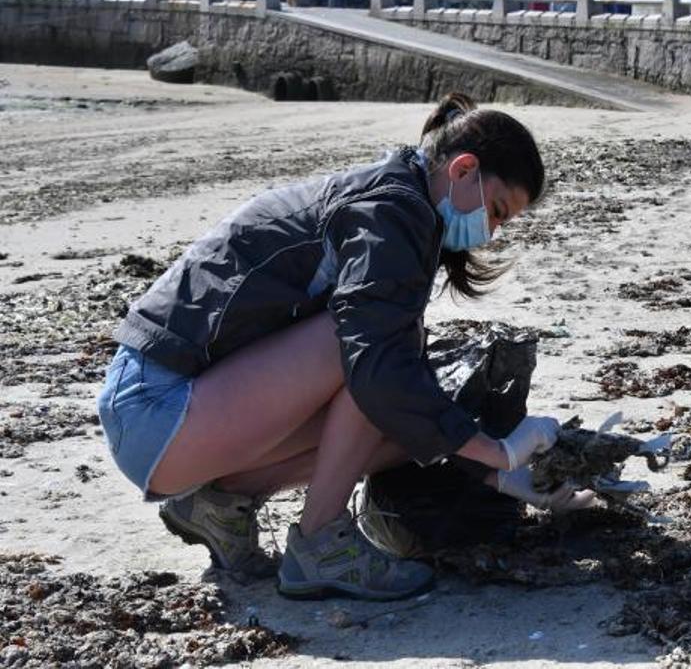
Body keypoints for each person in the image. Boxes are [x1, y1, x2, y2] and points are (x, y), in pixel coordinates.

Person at [95, 93, 590, 602]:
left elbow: (403, 406)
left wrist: (497, 475)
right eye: (498, 211)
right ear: (464, 170)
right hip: (154, 407)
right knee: (379, 359)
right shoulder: (391, 210)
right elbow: (376, 364)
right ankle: (320, 544)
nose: (492, 231)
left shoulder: (405, 204)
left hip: (176, 417)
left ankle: (220, 503)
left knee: (403, 429)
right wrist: (497, 450)